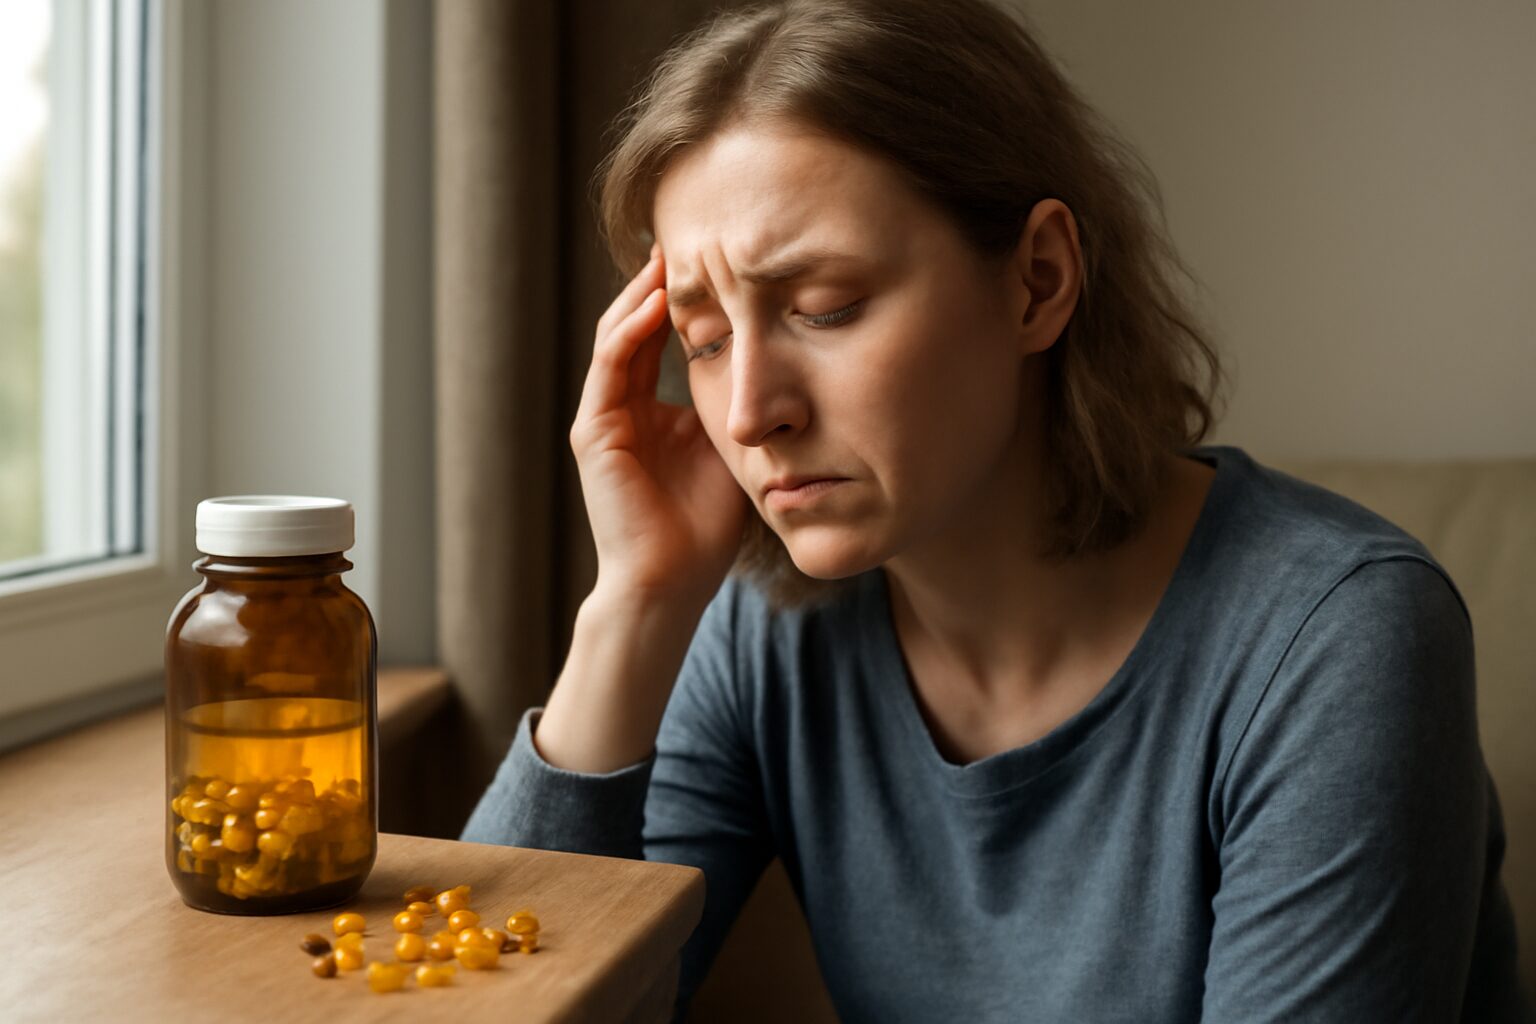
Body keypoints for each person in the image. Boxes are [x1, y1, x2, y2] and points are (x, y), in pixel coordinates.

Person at [461, 0, 1532, 1019]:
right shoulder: (770, 636)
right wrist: (635, 606)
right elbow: (493, 1008)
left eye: (823, 307)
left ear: (1038, 279)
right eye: (702, 340)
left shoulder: (1335, 641)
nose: (749, 412)